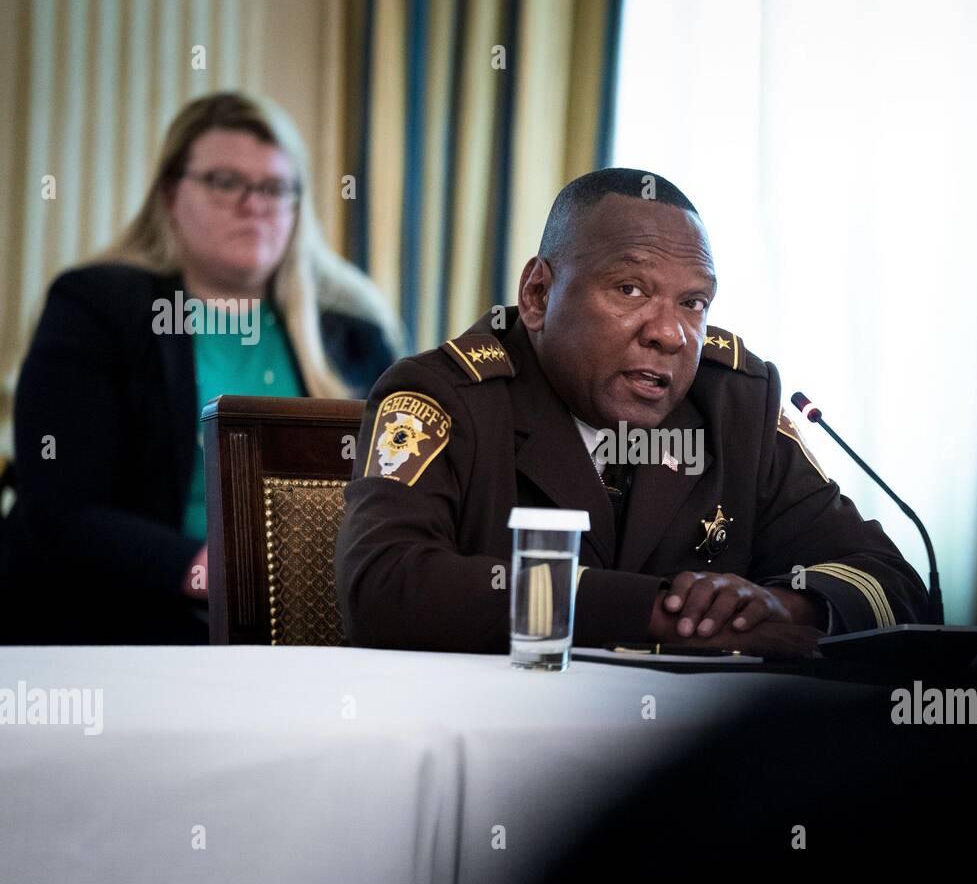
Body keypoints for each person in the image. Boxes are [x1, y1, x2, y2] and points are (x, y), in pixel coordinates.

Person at [335, 168, 928, 658]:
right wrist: (657, 610)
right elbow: (384, 587)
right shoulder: (446, 397)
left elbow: (891, 581)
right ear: (538, 295)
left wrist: (781, 605)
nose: (671, 334)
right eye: (631, 290)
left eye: (694, 303)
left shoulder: (734, 402)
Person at [3, 92, 401, 645]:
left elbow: (401, 499)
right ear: (170, 195)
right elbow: (60, 509)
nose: (253, 204)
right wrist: (213, 572)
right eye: (224, 181)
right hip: (129, 623)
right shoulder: (97, 308)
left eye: (274, 188)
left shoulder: (353, 335)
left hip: (323, 632)